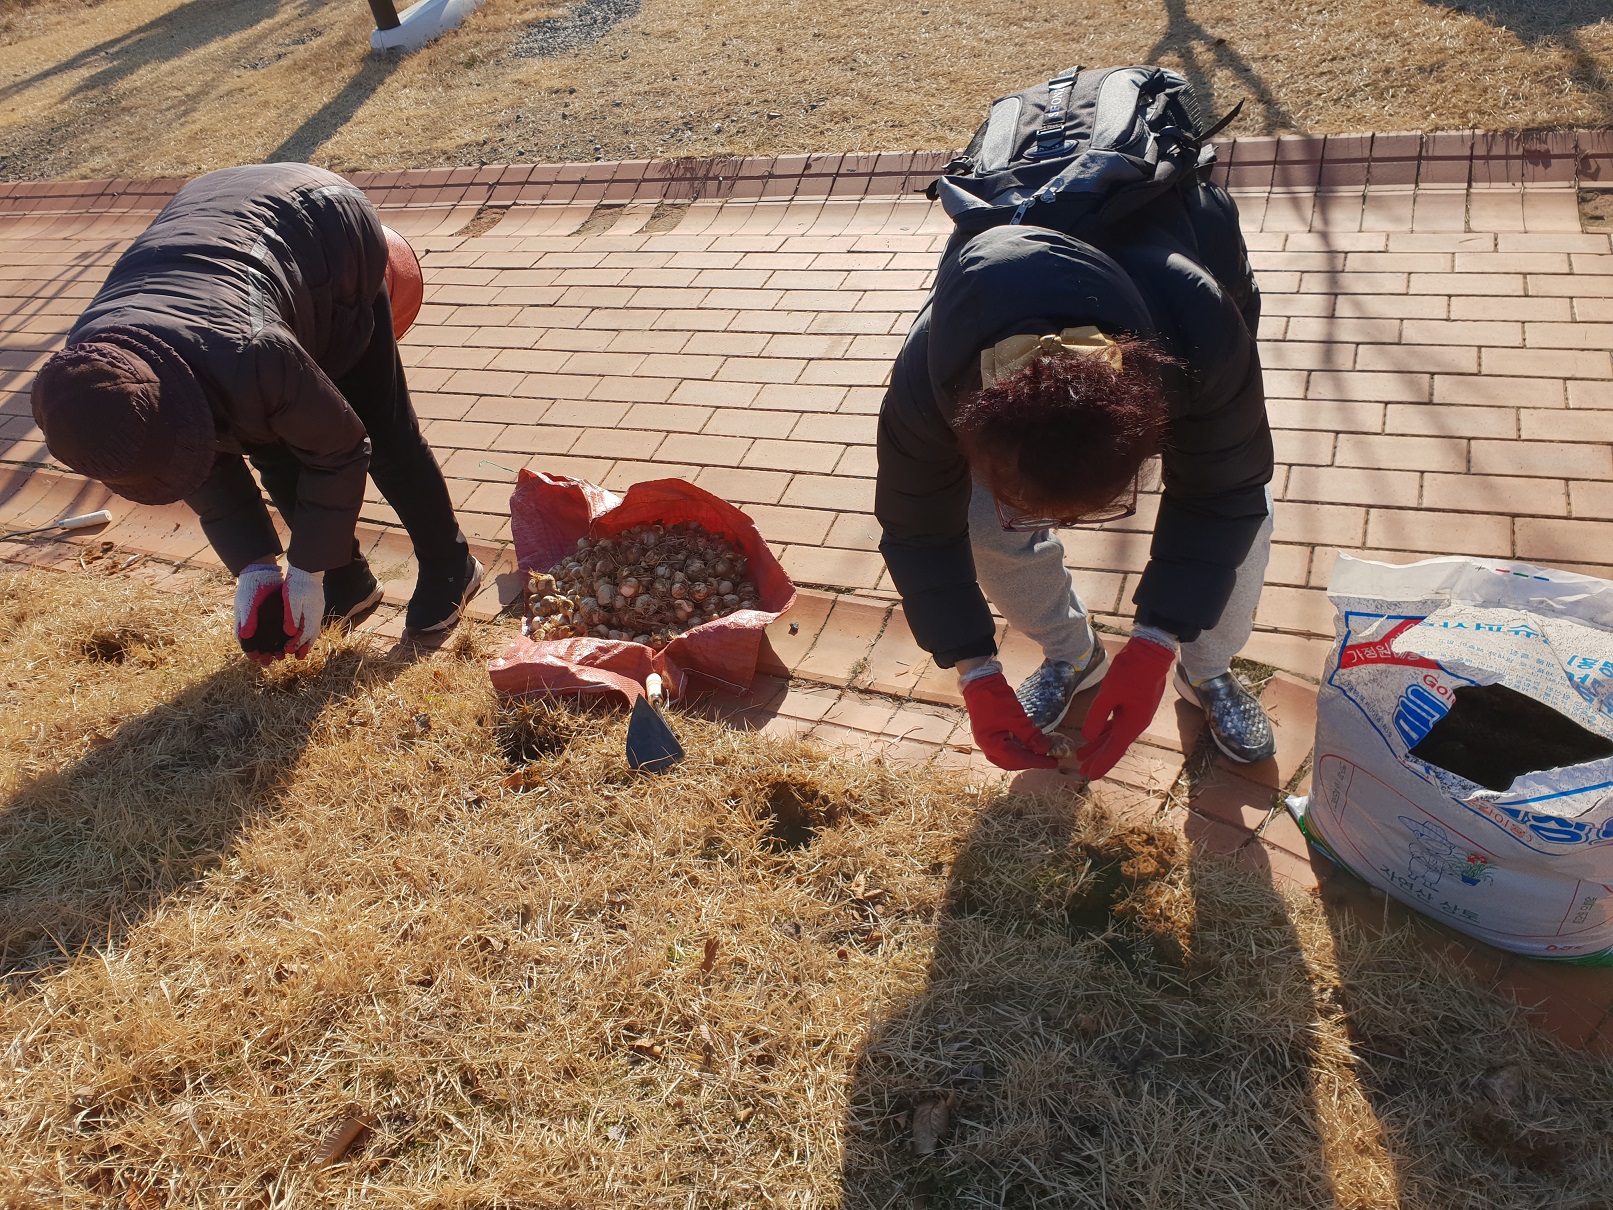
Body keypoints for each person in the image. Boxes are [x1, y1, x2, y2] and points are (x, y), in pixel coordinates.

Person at [876, 180, 1275, 777]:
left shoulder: (1201, 327)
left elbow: (1223, 494)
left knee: (1248, 519)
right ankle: (1073, 654)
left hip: (1170, 308)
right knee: (980, 524)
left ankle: (1206, 669)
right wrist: (974, 670)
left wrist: (1155, 642)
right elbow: (918, 530)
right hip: (1007, 367)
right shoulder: (930, 378)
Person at [30, 162, 481, 664]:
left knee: (381, 432)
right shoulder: (88, 376)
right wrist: (256, 570)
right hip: (223, 269)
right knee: (270, 445)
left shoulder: (251, 353)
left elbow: (341, 449)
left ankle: (450, 563)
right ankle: (348, 580)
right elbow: (187, 460)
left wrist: (304, 572)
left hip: (326, 236)